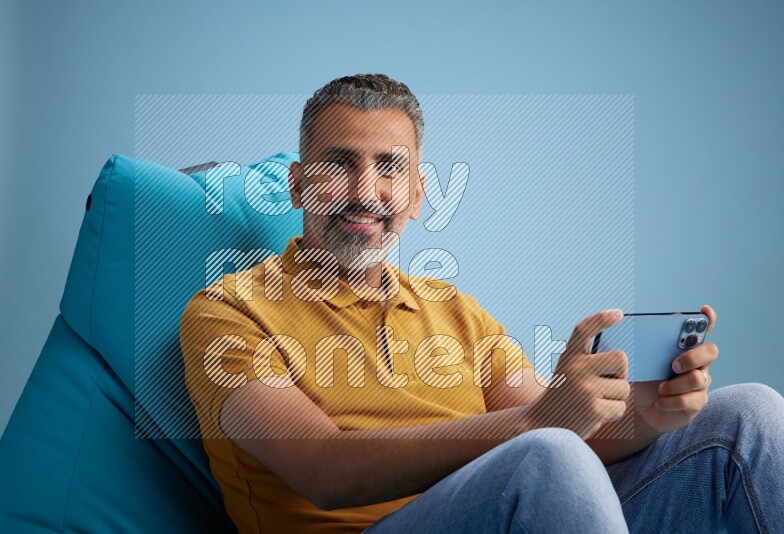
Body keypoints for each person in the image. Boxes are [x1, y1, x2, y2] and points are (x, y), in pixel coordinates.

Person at [179, 74, 784, 533]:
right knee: (543, 455)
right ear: (299, 185)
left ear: (417, 196)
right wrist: (538, 425)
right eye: (339, 164)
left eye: (389, 168)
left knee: (748, 415)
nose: (366, 192)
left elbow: (560, 428)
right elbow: (323, 473)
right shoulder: (227, 313)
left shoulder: (458, 313)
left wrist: (641, 420)